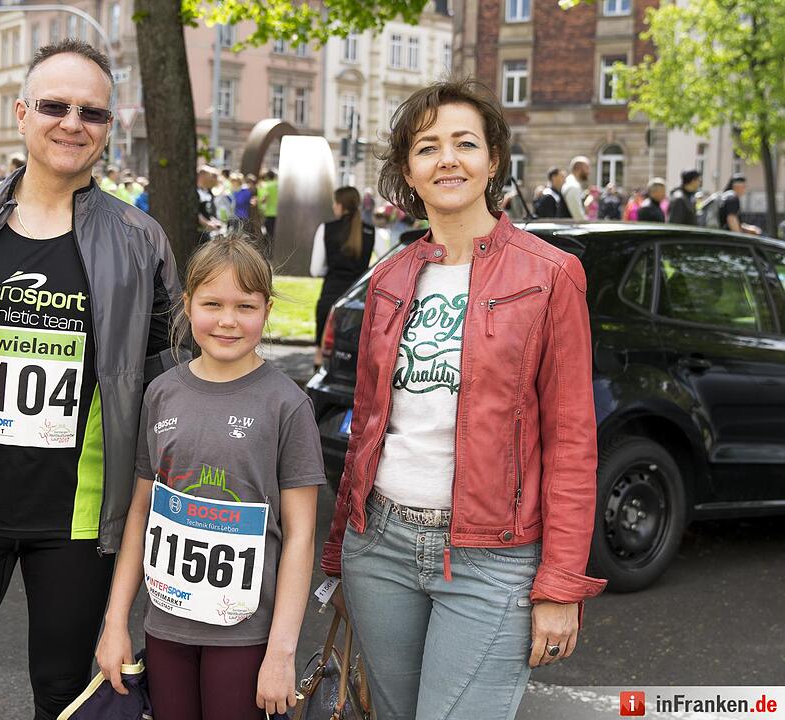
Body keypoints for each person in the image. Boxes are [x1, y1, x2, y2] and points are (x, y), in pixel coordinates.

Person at [0, 38, 182, 720]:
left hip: (76, 520)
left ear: (109, 128)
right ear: (22, 113)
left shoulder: (139, 240)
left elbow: (168, 386)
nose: (72, 124)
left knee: (64, 695)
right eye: (55, 106)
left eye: (93, 113)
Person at [322, 78, 606, 720]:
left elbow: (571, 442)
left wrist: (561, 582)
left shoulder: (550, 276)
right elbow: (367, 425)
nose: (447, 159)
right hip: (382, 551)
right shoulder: (391, 275)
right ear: (407, 170)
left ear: (493, 160)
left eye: (464, 143)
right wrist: (341, 555)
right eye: (428, 147)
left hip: (493, 559)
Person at [94, 233, 325, 720]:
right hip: (166, 629)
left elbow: (301, 536)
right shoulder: (161, 393)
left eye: (245, 306)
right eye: (212, 304)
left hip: (246, 636)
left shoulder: (287, 405)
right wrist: (116, 622)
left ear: (266, 309)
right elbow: (141, 512)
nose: (227, 320)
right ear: (187, 305)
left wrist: (282, 651)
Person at [310, 186, 376, 368]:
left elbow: (316, 270)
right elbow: (384, 262)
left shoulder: (326, 229)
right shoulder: (370, 231)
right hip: (358, 296)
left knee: (321, 353)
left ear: (339, 205)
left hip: (331, 292)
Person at [196, 165, 221, 244]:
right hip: (199, 232)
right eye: (212, 176)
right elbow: (196, 213)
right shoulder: (195, 192)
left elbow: (208, 211)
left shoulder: (208, 191)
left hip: (208, 232)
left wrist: (213, 221)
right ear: (202, 176)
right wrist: (207, 224)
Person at [561, 155, 590, 220]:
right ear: (579, 168)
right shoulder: (573, 186)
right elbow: (578, 217)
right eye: (587, 168)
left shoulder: (571, 183)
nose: (589, 172)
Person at [257, 170, 279, 249]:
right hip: (278, 213)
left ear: (267, 177)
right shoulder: (278, 184)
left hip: (269, 213)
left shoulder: (267, 185)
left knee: (268, 234)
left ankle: (269, 250)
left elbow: (265, 198)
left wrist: (259, 201)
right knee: (274, 233)